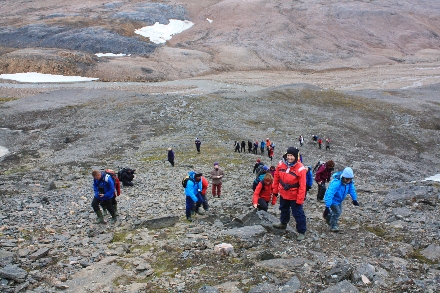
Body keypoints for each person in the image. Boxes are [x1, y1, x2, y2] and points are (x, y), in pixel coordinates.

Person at [272, 147, 307, 241]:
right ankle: (283, 223)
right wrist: (275, 191)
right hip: (283, 192)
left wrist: (300, 199)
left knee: (298, 213)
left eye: (292, 156)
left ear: (296, 157)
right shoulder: (281, 164)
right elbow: (276, 177)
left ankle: (301, 231)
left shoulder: (300, 169)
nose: (290, 158)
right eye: (288, 155)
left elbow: (302, 185)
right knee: (283, 208)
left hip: (294, 195)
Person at [323, 167, 359, 232]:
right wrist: (327, 207)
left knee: (338, 212)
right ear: (343, 177)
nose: (348, 180)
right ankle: (333, 226)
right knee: (337, 212)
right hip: (332, 201)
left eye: (350, 179)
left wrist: (354, 199)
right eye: (347, 179)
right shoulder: (336, 183)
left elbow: (352, 190)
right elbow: (329, 194)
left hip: (339, 200)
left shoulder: (349, 183)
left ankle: (328, 217)